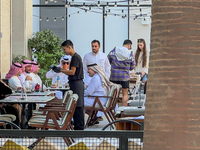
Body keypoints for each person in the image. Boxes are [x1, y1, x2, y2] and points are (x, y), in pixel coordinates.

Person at [52, 40, 84, 130]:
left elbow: (72, 72)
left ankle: (79, 129)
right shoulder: (75, 57)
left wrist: (60, 70)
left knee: (77, 105)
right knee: (75, 105)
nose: (64, 51)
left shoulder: (75, 57)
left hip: (77, 83)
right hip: (75, 83)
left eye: (64, 49)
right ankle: (78, 127)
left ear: (69, 47)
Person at [107, 39, 135, 106]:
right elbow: (132, 65)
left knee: (114, 93)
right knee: (125, 94)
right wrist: (130, 68)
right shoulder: (130, 53)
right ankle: (123, 110)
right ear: (129, 45)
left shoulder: (114, 51)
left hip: (114, 76)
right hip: (125, 77)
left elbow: (108, 60)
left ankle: (112, 110)